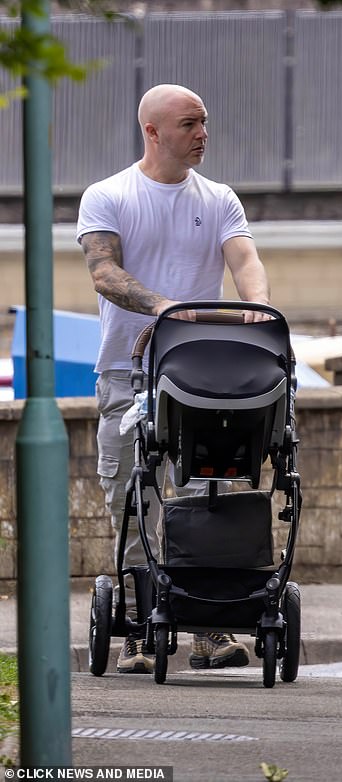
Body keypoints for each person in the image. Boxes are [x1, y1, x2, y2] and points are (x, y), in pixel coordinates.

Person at [77, 83, 270, 674]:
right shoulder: (108, 195)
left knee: (202, 494)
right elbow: (104, 272)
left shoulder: (218, 199)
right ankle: (137, 627)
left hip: (202, 376)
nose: (203, 133)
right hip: (126, 373)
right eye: (189, 124)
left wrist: (259, 316)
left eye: (205, 122)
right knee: (130, 499)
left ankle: (208, 629)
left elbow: (244, 261)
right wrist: (166, 307)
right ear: (152, 130)